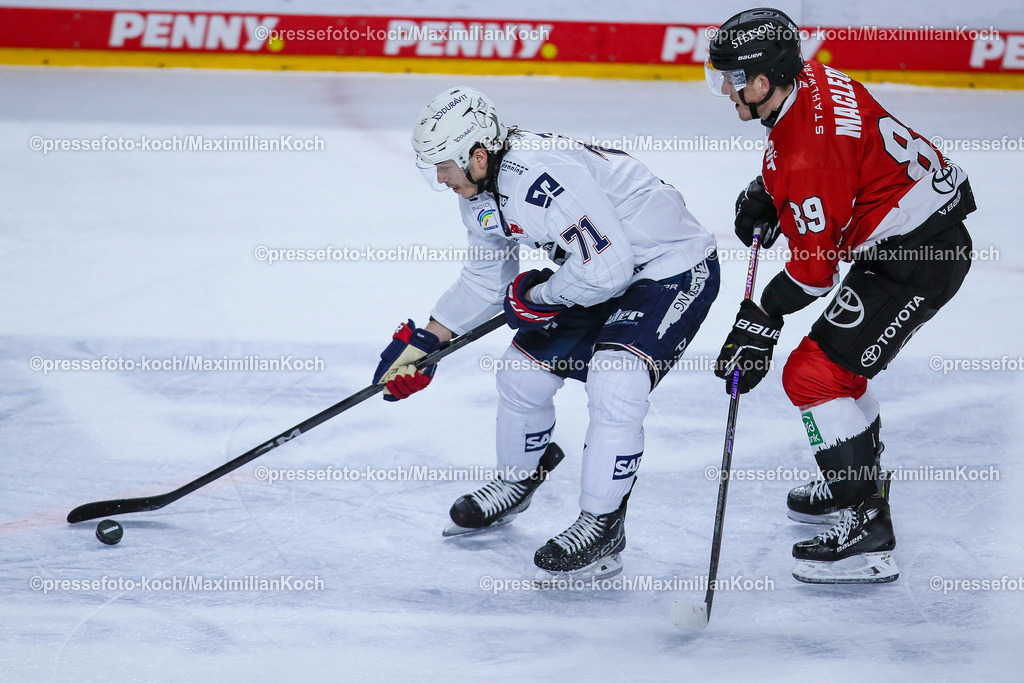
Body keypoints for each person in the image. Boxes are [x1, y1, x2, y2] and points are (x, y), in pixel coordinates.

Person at [372, 86, 719, 581]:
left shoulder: (537, 176)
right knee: (521, 374)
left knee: (616, 383)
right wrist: (428, 342)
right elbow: (485, 281)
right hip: (601, 269)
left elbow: (609, 269)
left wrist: (537, 296)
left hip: (669, 267)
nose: (441, 178)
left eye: (444, 166)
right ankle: (518, 481)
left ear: (477, 155)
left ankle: (602, 525)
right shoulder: (480, 192)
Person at [706, 8, 975, 583]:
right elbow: (838, 157)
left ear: (764, 81)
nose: (726, 90)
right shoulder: (813, 78)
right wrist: (769, 191)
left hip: (915, 261)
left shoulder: (807, 154)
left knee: (811, 376)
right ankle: (854, 483)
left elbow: (813, 272)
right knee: (838, 371)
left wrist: (761, 317)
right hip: (919, 238)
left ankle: (865, 528)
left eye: (732, 79)